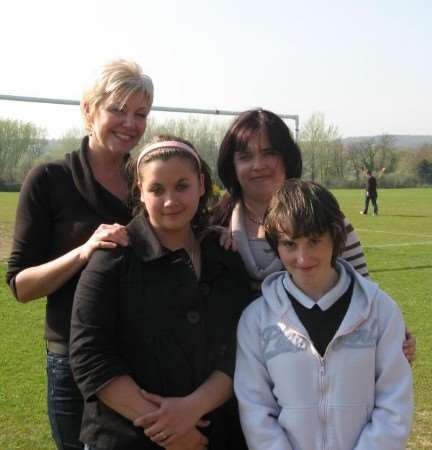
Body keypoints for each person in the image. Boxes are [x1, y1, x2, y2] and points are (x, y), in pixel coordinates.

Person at [6, 59, 154, 450]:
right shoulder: (49, 180)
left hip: (144, 355)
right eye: (118, 109)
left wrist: (221, 232)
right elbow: (21, 286)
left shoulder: (149, 181)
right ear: (89, 109)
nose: (130, 123)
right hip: (74, 360)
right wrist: (84, 251)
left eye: (140, 113)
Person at [69, 136, 252, 450]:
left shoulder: (225, 255)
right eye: (156, 189)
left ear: (201, 184)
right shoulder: (113, 257)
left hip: (213, 433)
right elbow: (90, 354)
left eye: (182, 186)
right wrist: (167, 427)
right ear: (140, 190)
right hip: (126, 437)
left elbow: (243, 347)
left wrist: (193, 408)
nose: (170, 201)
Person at [234, 179, 413, 450]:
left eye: (315, 241)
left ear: (335, 237)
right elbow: (256, 408)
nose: (303, 258)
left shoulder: (380, 310)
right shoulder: (256, 320)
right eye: (290, 244)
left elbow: (394, 402)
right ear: (276, 245)